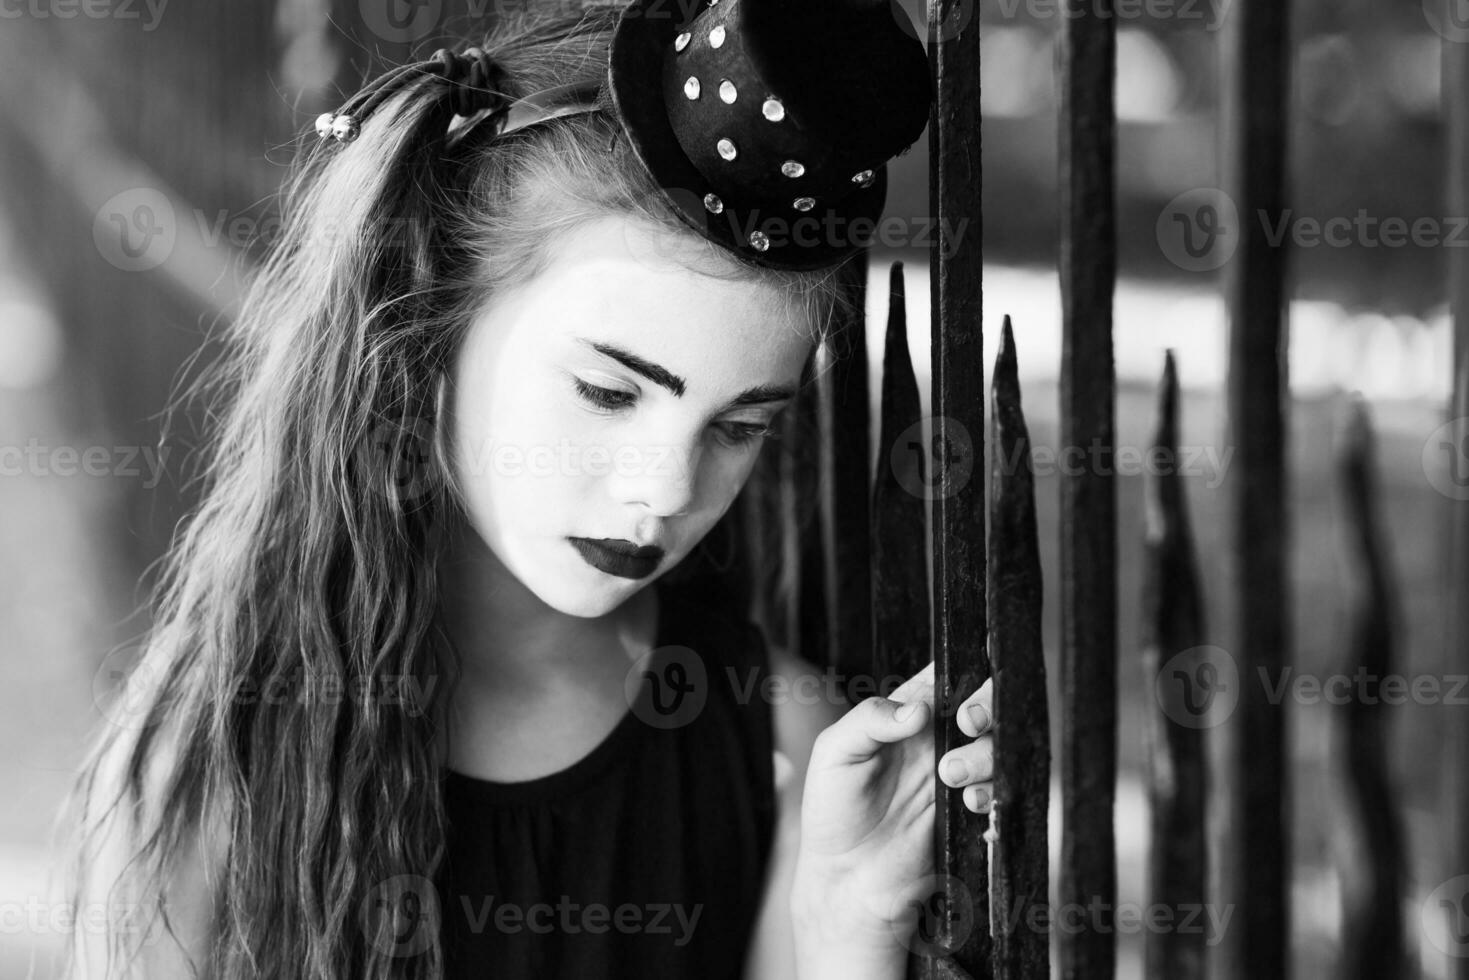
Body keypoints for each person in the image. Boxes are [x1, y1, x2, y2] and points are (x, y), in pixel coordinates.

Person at [60, 2, 997, 978]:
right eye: (605, 390)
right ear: (433, 325)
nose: (666, 487)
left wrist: (848, 923)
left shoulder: (782, 740)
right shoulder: (217, 752)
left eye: (737, 426)